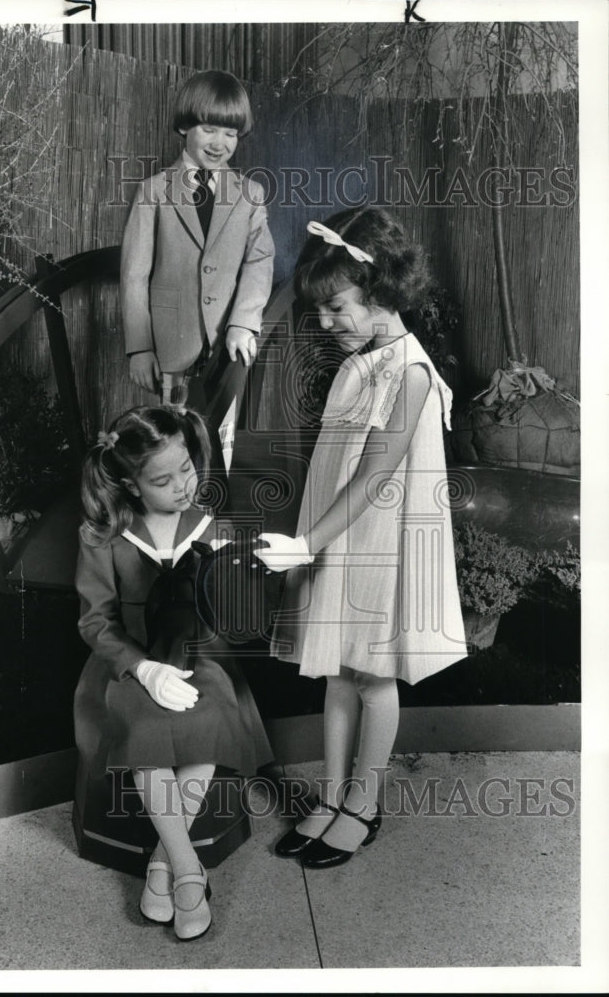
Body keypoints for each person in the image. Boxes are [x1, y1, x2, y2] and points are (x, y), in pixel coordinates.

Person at [255, 209, 467, 868]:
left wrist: (307, 542)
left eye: (336, 307)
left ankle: (363, 804)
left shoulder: (408, 374)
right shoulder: (361, 362)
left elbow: (377, 476)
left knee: (373, 674)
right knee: (337, 672)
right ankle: (329, 796)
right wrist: (317, 540)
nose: (325, 324)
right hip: (342, 538)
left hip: (381, 543)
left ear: (378, 293)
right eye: (319, 311)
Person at [73, 404, 272, 939]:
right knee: (144, 729)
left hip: (201, 654)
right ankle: (189, 871)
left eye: (186, 468)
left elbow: (234, 614)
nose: (184, 485)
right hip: (130, 664)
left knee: (206, 718)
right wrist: (142, 669)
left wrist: (254, 570)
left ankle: (166, 864)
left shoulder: (212, 524)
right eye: (163, 480)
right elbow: (95, 622)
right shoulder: (101, 537)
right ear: (131, 485)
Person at [120, 69, 275, 412]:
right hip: (171, 350)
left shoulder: (251, 194)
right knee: (176, 435)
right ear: (183, 127)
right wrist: (140, 348)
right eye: (208, 129)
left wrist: (243, 323)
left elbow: (259, 262)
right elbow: (134, 276)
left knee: (221, 443)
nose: (220, 143)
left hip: (228, 345)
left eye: (231, 133)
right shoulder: (153, 191)